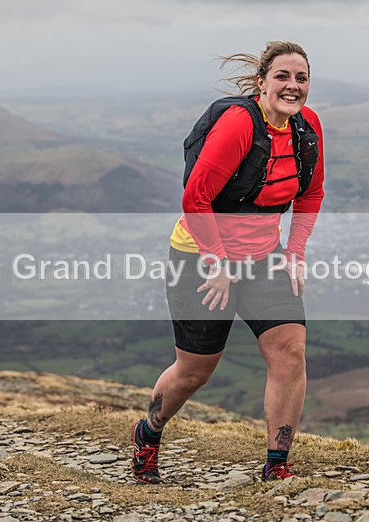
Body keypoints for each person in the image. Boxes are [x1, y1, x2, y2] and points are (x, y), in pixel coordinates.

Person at [131, 41, 325, 484]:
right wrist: (216, 262)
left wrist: (294, 251)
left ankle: (278, 465)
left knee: (289, 350)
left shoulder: (306, 127)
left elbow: (311, 193)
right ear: (262, 83)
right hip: (199, 257)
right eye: (282, 77)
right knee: (194, 370)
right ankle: (148, 433)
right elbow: (195, 197)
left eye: (301, 78)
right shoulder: (239, 125)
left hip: (263, 259)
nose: (292, 87)